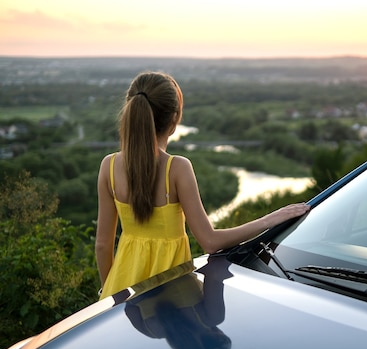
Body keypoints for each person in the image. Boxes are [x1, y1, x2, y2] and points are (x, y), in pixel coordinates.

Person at [95, 71, 310, 300]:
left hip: (122, 293)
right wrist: (270, 220)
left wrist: (109, 295)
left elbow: (102, 244)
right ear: (175, 119)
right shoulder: (176, 168)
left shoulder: (108, 166)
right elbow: (210, 241)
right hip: (171, 294)